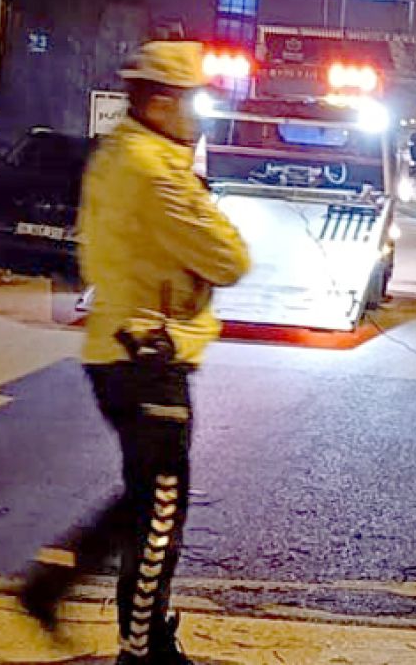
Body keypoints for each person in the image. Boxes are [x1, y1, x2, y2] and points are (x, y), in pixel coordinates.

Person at [19, 42, 251, 665]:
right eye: (193, 102)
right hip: (147, 355)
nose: (201, 116)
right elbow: (230, 259)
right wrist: (203, 200)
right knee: (159, 509)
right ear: (160, 101)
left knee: (146, 499)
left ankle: (73, 595)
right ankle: (136, 645)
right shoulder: (157, 172)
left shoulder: (122, 156)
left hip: (123, 348)